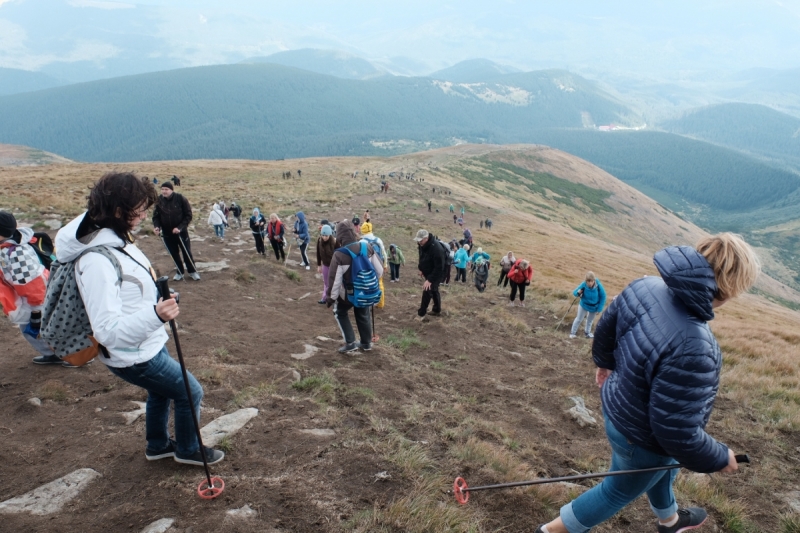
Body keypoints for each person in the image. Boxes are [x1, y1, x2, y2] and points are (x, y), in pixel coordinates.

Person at [535, 234, 759, 533]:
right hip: (641, 437)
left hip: (617, 409)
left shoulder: (645, 286)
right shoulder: (696, 345)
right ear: (731, 287)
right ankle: (549, 531)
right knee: (615, 490)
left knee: (663, 468)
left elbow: (607, 325)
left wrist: (604, 363)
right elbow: (675, 432)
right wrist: (719, 456)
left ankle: (670, 521)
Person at [55, 172, 224, 466]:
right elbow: (107, 331)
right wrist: (156, 314)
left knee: (160, 393)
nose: (145, 213)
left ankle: (157, 445)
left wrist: (157, 302)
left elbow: (129, 292)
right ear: (118, 211)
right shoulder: (96, 260)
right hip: (133, 353)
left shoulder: (116, 239)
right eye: (139, 207)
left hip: (146, 341)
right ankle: (187, 450)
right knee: (189, 391)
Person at [0, 211, 67, 366]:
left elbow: (32, 282)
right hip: (32, 297)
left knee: (38, 328)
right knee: (36, 329)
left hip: (36, 299)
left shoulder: (16, 253)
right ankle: (54, 353)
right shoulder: (10, 247)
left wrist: (37, 307)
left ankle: (74, 354)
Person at [326, 220, 383, 352]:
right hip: (367, 291)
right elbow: (379, 271)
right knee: (363, 313)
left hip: (348, 294)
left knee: (340, 312)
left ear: (339, 236)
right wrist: (366, 283)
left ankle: (350, 342)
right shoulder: (367, 247)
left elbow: (334, 281)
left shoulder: (339, 254)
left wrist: (330, 299)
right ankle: (366, 343)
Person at [152, 181, 199, 281]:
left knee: (186, 252)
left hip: (181, 232)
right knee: (174, 254)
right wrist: (157, 227)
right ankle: (179, 272)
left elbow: (188, 215)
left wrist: (180, 227)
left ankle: (192, 271)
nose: (164, 191)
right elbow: (156, 217)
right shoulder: (159, 200)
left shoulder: (180, 198)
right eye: (162, 189)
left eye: (166, 189)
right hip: (167, 233)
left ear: (171, 190)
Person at [414, 229, 444, 319]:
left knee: (427, 290)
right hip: (429, 271)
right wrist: (421, 269)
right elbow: (422, 257)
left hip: (438, 272)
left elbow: (440, 267)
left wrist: (430, 280)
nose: (419, 242)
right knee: (434, 290)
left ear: (426, 238)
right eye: (418, 240)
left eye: (421, 240)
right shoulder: (422, 245)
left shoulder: (437, 249)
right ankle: (436, 310)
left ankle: (421, 314)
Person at [570, 272, 607, 339]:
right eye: (588, 281)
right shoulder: (583, 285)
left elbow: (603, 296)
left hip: (594, 307)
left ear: (594, 280)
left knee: (590, 320)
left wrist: (599, 309)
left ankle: (587, 333)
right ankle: (572, 333)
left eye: (592, 281)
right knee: (579, 319)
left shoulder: (598, 285)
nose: (590, 283)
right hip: (583, 305)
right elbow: (575, 293)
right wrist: (578, 292)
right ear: (586, 281)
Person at [360, 221, 387, 309]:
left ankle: (370, 303)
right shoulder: (378, 240)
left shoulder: (362, 242)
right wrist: (385, 265)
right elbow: (384, 253)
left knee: (368, 284)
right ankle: (380, 303)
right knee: (380, 284)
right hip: (379, 265)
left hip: (367, 267)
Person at [316, 225, 337, 304]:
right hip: (325, 265)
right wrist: (319, 265)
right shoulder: (319, 241)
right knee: (326, 282)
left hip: (334, 266)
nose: (324, 237)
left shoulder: (335, 242)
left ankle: (334, 298)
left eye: (326, 235)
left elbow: (339, 254)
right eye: (323, 235)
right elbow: (318, 253)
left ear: (330, 235)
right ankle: (325, 298)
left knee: (334, 282)